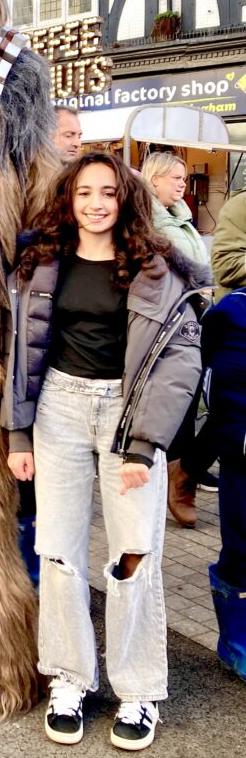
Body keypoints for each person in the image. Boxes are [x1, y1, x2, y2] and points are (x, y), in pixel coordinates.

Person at [3, 152, 207, 751]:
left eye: (109, 193)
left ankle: (137, 691)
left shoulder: (157, 270)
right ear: (69, 199)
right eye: (85, 192)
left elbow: (180, 363)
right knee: (58, 552)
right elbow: (19, 352)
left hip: (128, 413)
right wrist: (18, 433)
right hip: (58, 410)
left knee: (133, 554)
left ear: (127, 200)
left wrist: (146, 446)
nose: (96, 203)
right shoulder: (41, 261)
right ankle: (68, 677)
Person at [141, 152, 214, 528]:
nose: (183, 183)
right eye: (175, 177)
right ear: (154, 179)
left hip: (195, 316)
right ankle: (172, 474)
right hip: (167, 321)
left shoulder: (180, 218)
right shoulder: (148, 220)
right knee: (174, 397)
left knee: (192, 395)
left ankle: (182, 470)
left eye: (185, 178)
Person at [201, 285, 246, 681]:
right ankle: (236, 644)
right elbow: (217, 388)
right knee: (242, 549)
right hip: (242, 457)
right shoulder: (233, 312)